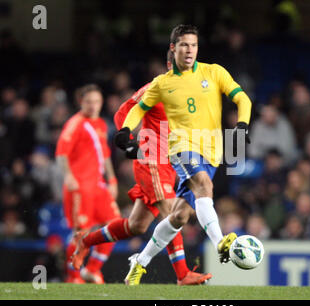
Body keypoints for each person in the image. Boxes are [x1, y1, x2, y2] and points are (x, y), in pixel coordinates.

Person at [114, 24, 252, 285]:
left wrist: (242, 125)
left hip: (212, 151)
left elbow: (242, 99)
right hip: (181, 148)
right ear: (173, 48)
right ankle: (221, 244)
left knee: (179, 216)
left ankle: (139, 262)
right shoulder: (162, 83)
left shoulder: (214, 72)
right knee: (204, 185)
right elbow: (137, 109)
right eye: (184, 45)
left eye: (194, 45)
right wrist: (124, 131)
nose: (190, 50)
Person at [72, 51, 212, 286]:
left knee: (136, 225)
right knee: (172, 215)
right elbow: (123, 111)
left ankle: (85, 241)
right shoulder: (155, 89)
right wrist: (125, 137)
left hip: (172, 164)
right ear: (170, 64)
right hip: (152, 161)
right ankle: (182, 274)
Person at [55, 84, 121, 284]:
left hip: (99, 185)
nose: (93, 106)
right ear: (80, 102)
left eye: (97, 102)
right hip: (80, 187)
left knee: (116, 226)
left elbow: (105, 156)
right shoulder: (75, 123)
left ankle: (92, 269)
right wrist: (68, 176)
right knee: (80, 234)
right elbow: (61, 153)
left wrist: (112, 179)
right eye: (89, 102)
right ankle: (73, 277)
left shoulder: (100, 124)